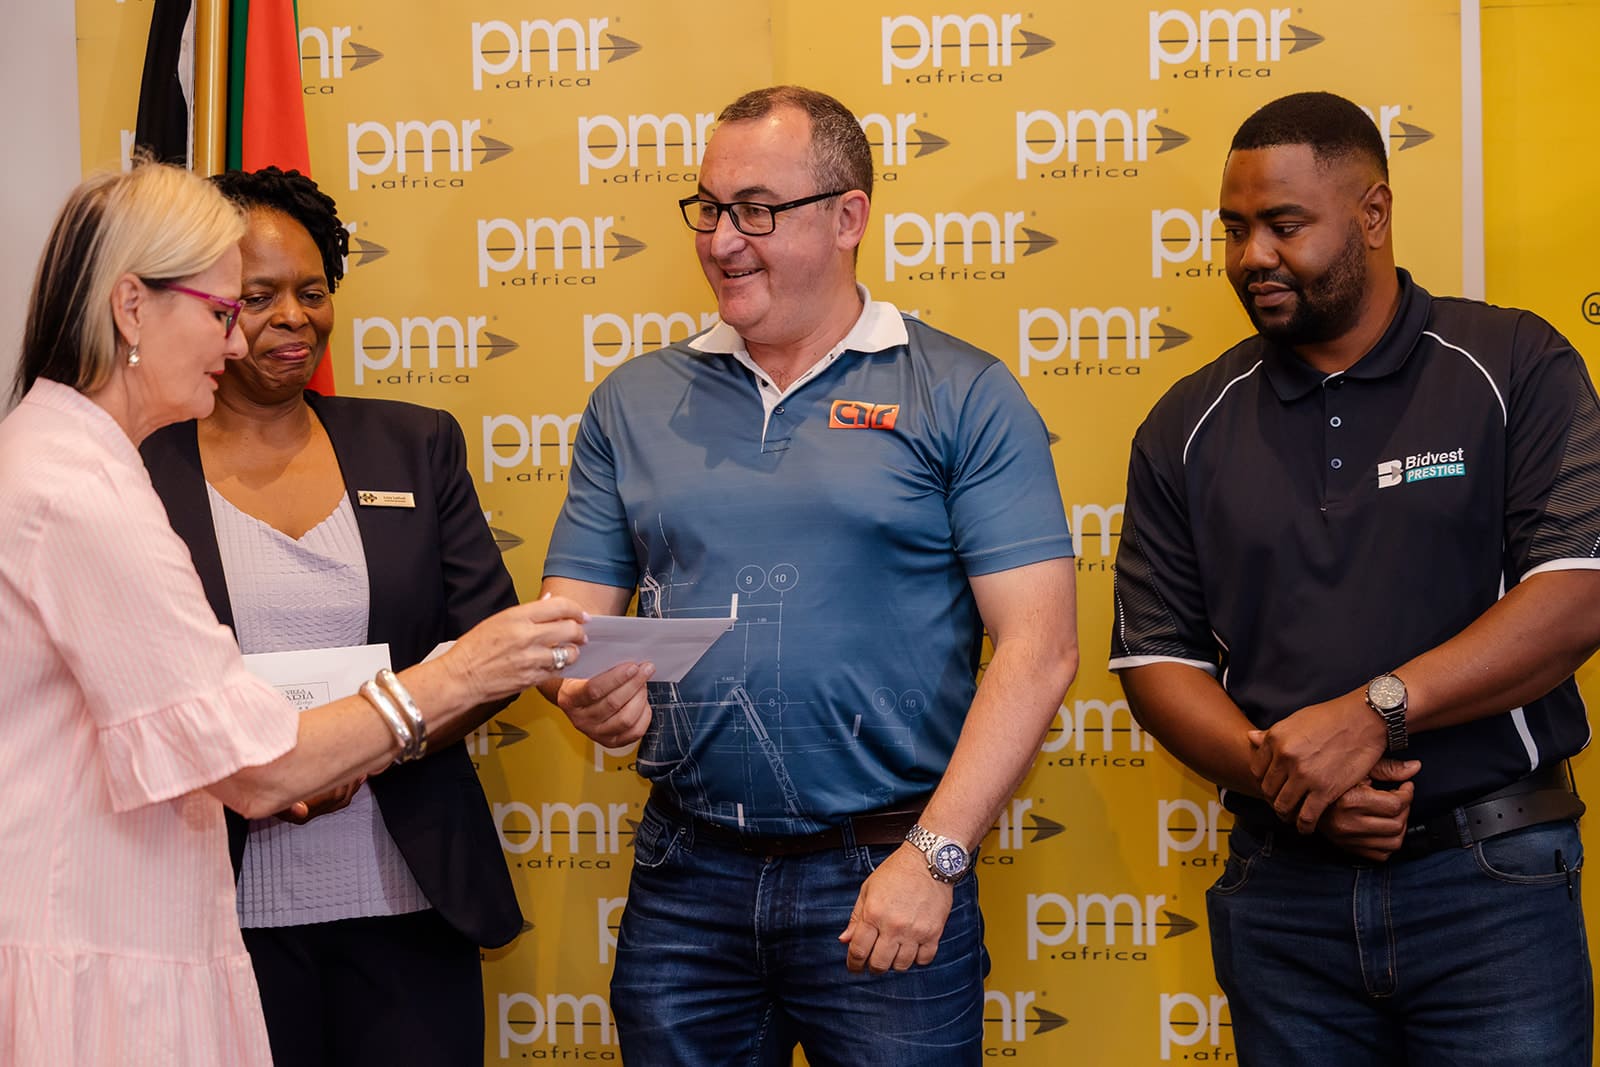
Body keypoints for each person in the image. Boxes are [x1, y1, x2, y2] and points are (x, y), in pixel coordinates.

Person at [0, 159, 586, 1066]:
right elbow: (257, 767)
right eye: (224, 309)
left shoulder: (60, 455)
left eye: (305, 293)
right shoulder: (84, 488)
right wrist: (461, 670)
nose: (238, 341)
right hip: (98, 946)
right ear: (131, 308)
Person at [538, 85, 1079, 1065]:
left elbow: (1039, 647)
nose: (720, 240)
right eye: (709, 207)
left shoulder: (961, 391)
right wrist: (582, 688)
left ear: (847, 216)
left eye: (756, 210)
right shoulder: (632, 400)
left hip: (887, 871)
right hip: (684, 878)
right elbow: (570, 625)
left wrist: (934, 857)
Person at [1110, 90, 1600, 1065]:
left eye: (1284, 224)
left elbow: (1576, 590)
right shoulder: (1185, 423)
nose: (1252, 255)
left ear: (1372, 214)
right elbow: (1156, 659)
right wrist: (1291, 776)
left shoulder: (1512, 362)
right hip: (1283, 896)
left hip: (1491, 883)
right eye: (1234, 229)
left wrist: (1375, 712)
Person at [139, 166, 521, 1066]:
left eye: (312, 292)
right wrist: (270, 768)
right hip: (216, 912)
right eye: (258, 296)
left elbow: (488, 648)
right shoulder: (138, 465)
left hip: (410, 901)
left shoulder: (415, 443)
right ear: (206, 305)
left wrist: (370, 743)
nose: (294, 318)